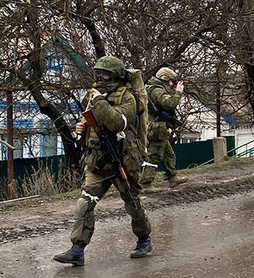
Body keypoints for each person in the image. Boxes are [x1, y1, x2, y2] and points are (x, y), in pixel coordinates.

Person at [53, 56, 152, 265]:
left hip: (123, 159)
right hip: (98, 160)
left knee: (132, 202)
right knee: (85, 202)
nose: (101, 77)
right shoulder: (94, 95)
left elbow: (117, 122)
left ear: (116, 75)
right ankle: (77, 249)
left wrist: (98, 101)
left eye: (105, 74)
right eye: (99, 73)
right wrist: (81, 128)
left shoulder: (128, 97)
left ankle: (144, 239)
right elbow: (89, 118)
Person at [140, 67, 187, 189]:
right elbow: (169, 103)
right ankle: (146, 183)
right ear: (165, 79)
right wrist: (178, 92)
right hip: (156, 127)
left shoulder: (155, 88)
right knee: (154, 155)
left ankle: (172, 177)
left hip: (159, 126)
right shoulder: (156, 90)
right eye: (171, 81)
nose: (172, 84)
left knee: (168, 154)